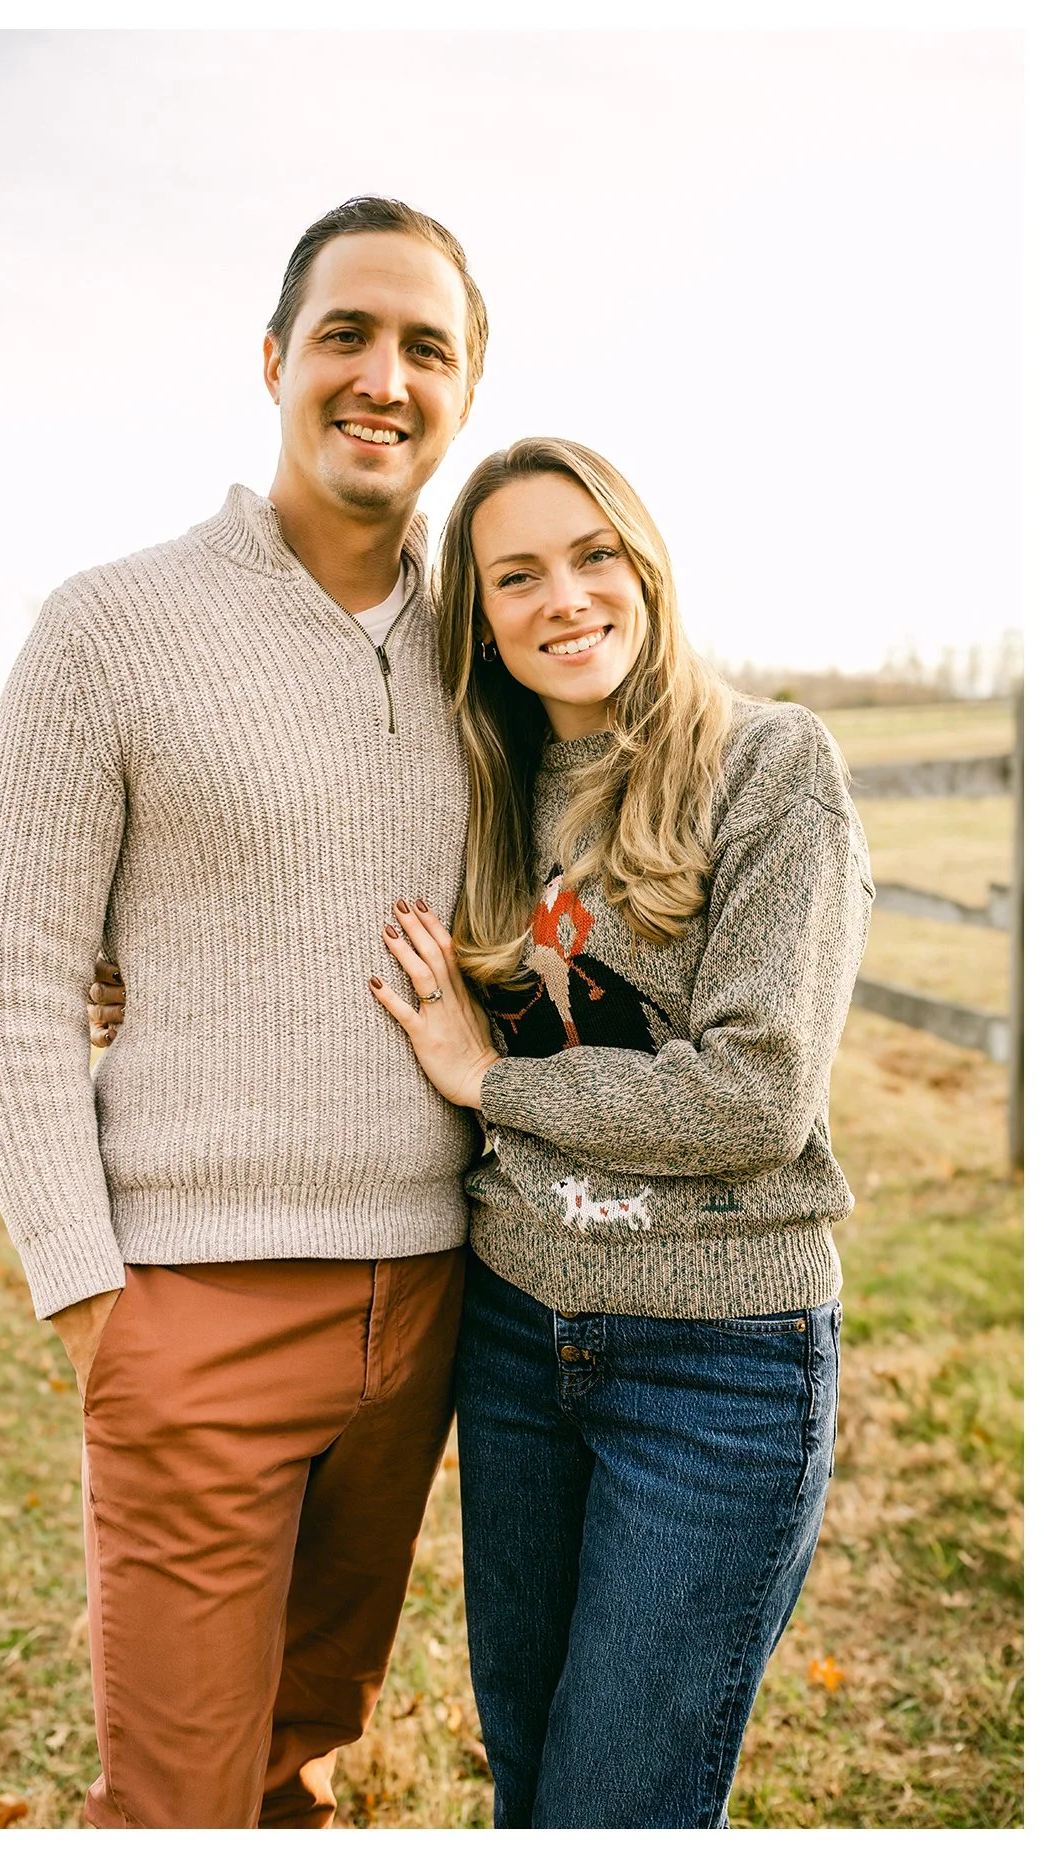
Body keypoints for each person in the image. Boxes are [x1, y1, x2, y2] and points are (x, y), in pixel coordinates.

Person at [0, 197, 489, 1830]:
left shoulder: (492, 654)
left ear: (466, 388)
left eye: (424, 346)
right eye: (345, 333)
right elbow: (18, 972)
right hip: (193, 1301)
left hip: (433, 1304)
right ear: (273, 359)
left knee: (295, 1741)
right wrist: (88, 1299)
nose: (381, 376)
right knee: (178, 1794)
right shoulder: (109, 626)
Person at [365, 438, 874, 1828]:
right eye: (515, 573)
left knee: (616, 1802)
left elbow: (754, 1096)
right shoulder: (480, 789)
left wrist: (494, 1083)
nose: (563, 597)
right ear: (478, 618)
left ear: (644, 566)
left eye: (591, 554)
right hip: (518, 1342)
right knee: (530, 1775)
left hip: (715, 1366)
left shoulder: (770, 765)